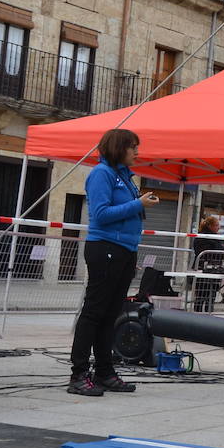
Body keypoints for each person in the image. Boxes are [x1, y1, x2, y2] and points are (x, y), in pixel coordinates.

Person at [67, 128, 160, 396]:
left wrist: (140, 204)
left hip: (125, 249)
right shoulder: (101, 174)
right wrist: (137, 204)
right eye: (133, 147)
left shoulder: (125, 177)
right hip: (105, 247)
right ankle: (79, 373)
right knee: (94, 312)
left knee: (111, 313)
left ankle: (105, 371)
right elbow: (100, 213)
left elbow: (124, 210)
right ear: (119, 147)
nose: (137, 152)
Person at [190, 214, 224, 313]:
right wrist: (222, 252)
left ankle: (204, 313)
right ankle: (202, 313)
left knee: (208, 294)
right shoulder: (204, 237)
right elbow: (209, 252)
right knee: (203, 294)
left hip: (212, 268)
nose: (218, 227)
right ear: (210, 226)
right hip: (205, 268)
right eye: (216, 225)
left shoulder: (212, 237)